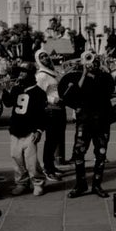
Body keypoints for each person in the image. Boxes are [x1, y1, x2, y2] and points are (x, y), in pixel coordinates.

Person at [63, 51, 116, 198]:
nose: (91, 62)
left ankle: (97, 185)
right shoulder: (78, 76)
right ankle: (80, 184)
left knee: (101, 153)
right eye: (87, 58)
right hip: (84, 121)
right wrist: (84, 73)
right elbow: (74, 93)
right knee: (78, 153)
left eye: (93, 59)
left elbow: (109, 91)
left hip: (102, 121)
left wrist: (100, 71)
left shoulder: (104, 76)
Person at [2, 61, 48, 195]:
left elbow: (42, 114)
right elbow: (8, 103)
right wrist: (6, 90)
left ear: (30, 74)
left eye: (24, 72)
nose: (21, 75)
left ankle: (38, 182)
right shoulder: (17, 89)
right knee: (16, 158)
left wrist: (39, 130)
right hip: (15, 129)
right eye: (20, 72)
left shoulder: (39, 92)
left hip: (30, 131)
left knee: (31, 161)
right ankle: (21, 182)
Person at [35, 48, 66, 181]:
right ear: (38, 60)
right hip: (51, 110)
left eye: (46, 56)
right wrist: (53, 99)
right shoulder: (41, 75)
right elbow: (39, 95)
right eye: (41, 57)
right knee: (51, 140)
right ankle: (47, 168)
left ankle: (51, 166)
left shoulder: (52, 72)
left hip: (60, 109)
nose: (45, 59)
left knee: (56, 139)